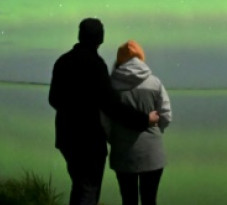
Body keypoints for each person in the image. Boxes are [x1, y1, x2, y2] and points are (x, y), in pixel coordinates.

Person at [49, 18, 160, 205]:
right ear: (100, 39)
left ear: (80, 35)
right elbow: (112, 106)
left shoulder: (63, 61)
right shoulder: (96, 64)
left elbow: (53, 99)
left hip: (66, 138)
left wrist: (72, 111)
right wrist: (144, 120)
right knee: (88, 190)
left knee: (79, 186)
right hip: (88, 141)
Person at [104, 40, 172, 205]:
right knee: (150, 199)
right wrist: (157, 131)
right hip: (152, 152)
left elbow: (104, 122)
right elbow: (166, 116)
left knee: (128, 200)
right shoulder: (155, 82)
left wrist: (113, 139)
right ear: (141, 57)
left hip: (123, 152)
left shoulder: (110, 84)